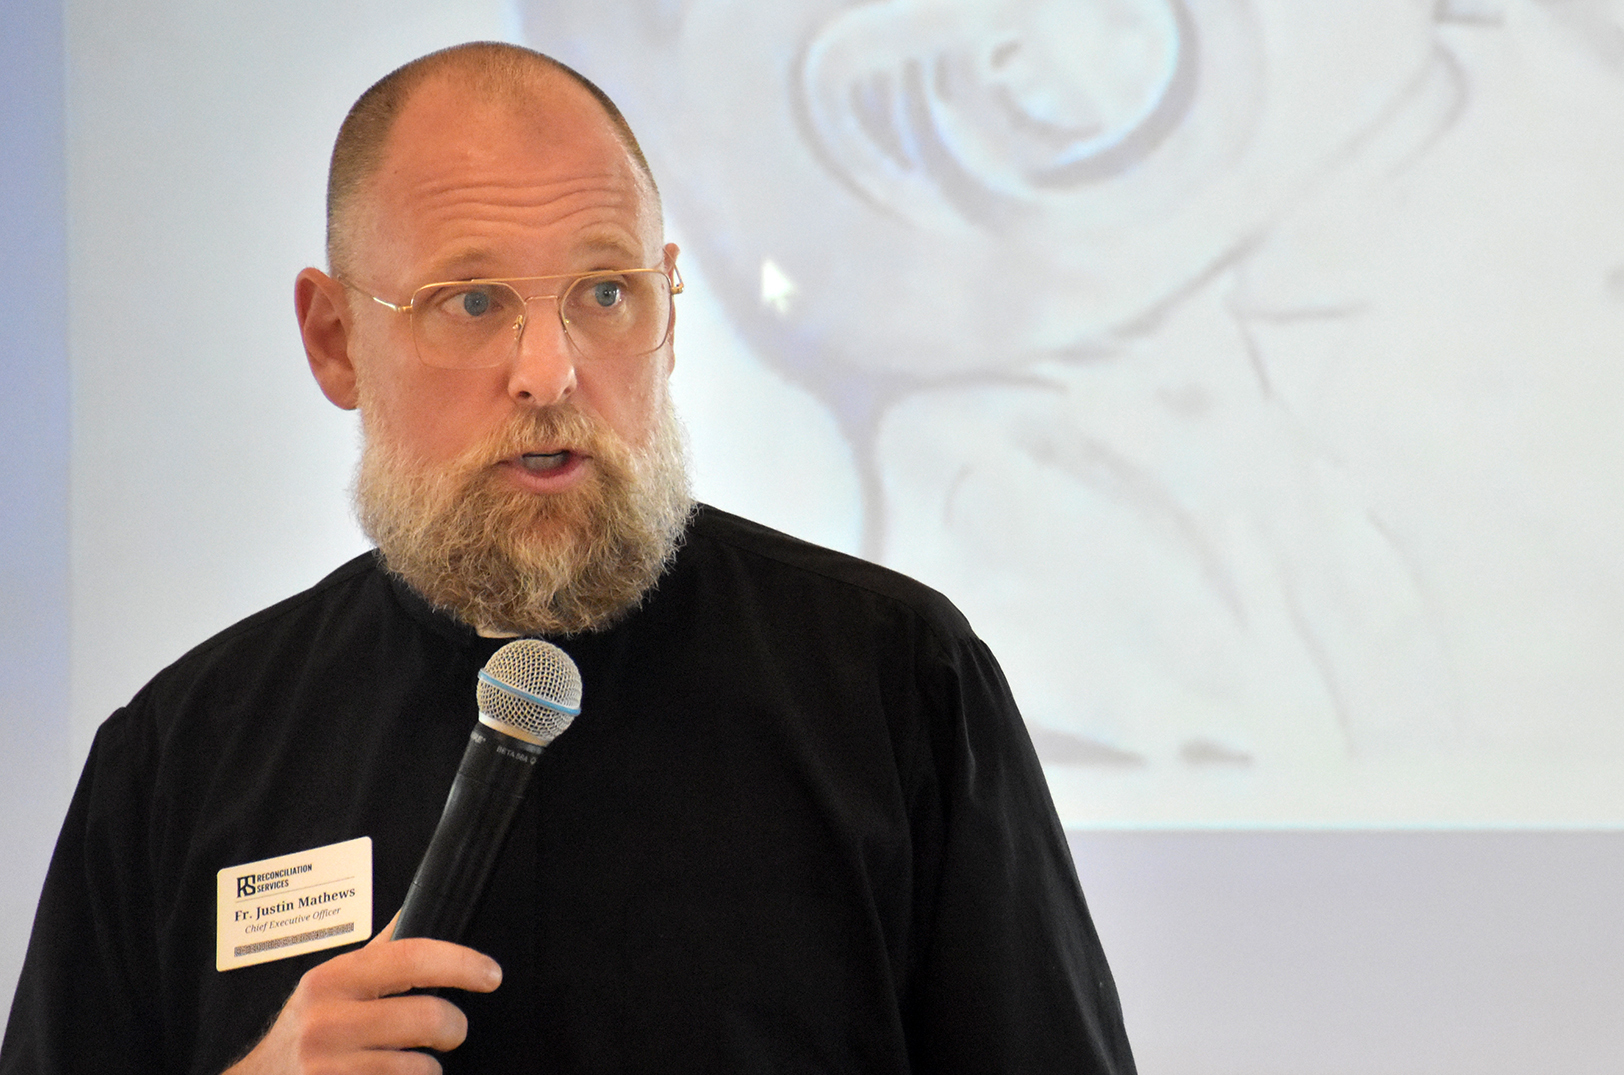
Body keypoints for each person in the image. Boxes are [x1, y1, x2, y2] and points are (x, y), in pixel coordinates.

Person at [0, 41, 1135, 1075]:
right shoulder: (181, 757)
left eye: (603, 292)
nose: (549, 371)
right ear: (335, 338)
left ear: (671, 312)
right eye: (474, 299)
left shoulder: (894, 684)